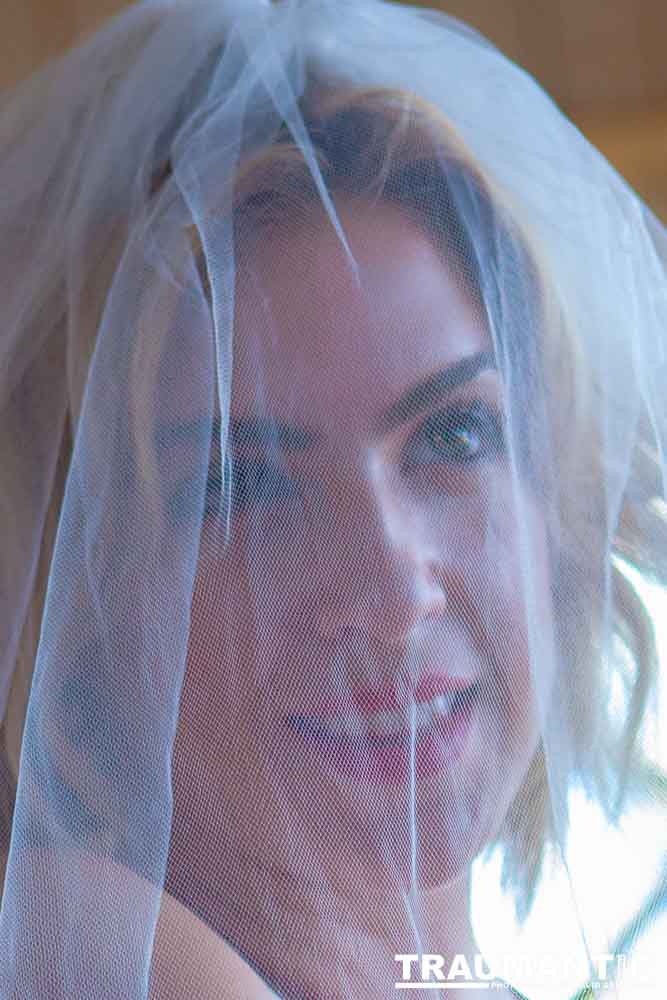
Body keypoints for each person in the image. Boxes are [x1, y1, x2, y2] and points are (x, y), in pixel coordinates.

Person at [0, 1, 665, 997]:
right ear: (81, 597)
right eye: (241, 483)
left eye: (452, 433)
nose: (397, 596)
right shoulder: (87, 942)